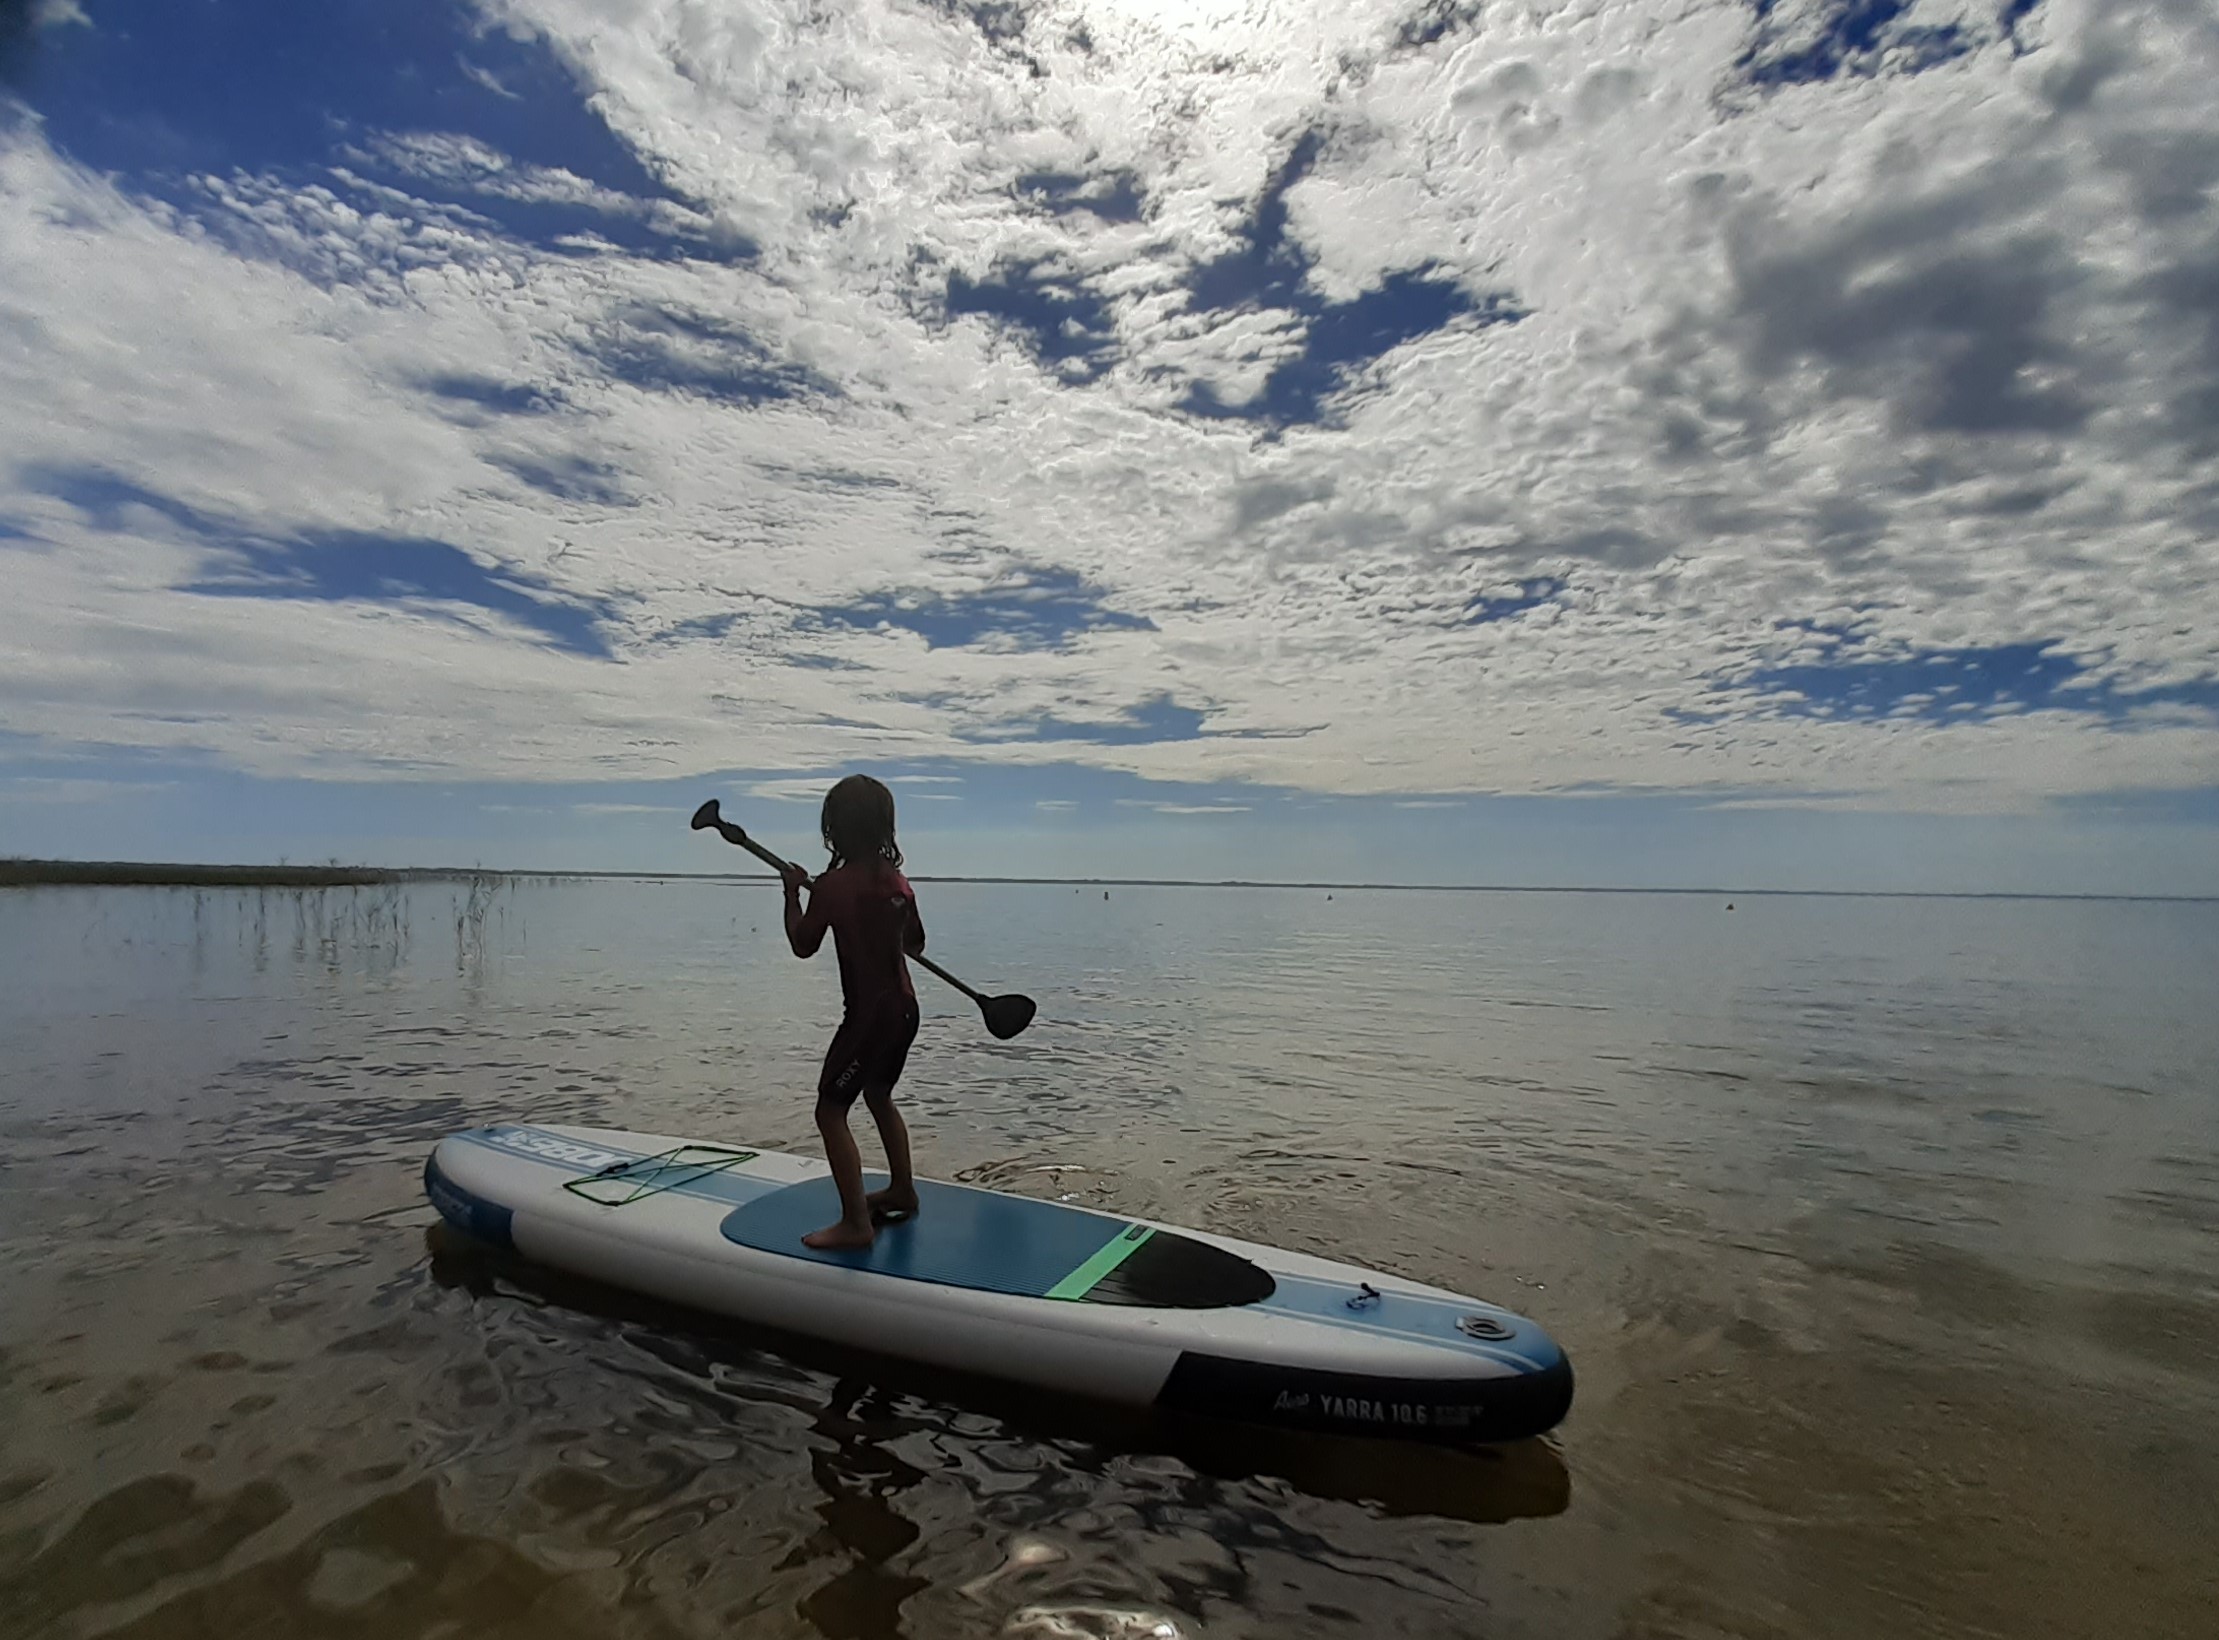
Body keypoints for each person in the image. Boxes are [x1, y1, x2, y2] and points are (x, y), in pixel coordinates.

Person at [782, 774, 925, 1250]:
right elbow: (916, 943)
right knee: (879, 1094)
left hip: (869, 1018)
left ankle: (856, 1224)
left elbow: (803, 944)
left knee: (830, 1110)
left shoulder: (832, 886)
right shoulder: (899, 883)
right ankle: (902, 1188)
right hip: (905, 1011)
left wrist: (792, 895)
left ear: (835, 828)